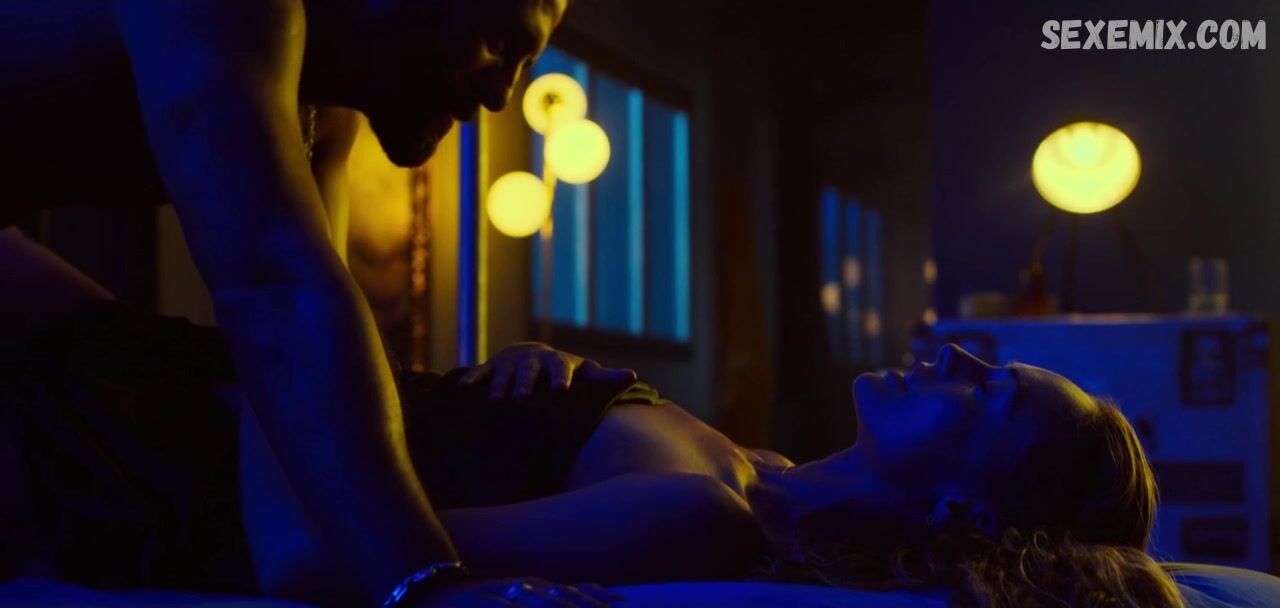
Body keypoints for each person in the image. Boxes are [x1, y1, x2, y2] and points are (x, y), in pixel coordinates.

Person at [1, 234, 1185, 608]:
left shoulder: (704, 521)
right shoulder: (754, 468)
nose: (962, 355)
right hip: (177, 381)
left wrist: (284, 315)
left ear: (965, 506)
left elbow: (318, 551)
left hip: (130, 448)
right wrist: (555, 379)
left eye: (993, 391)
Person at [0, 1, 611, 606]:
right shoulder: (225, 13)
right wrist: (429, 585)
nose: (502, 96)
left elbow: (306, 345)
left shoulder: (321, 113)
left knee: (126, 372)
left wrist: (330, 558)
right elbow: (276, 293)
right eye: (500, 44)